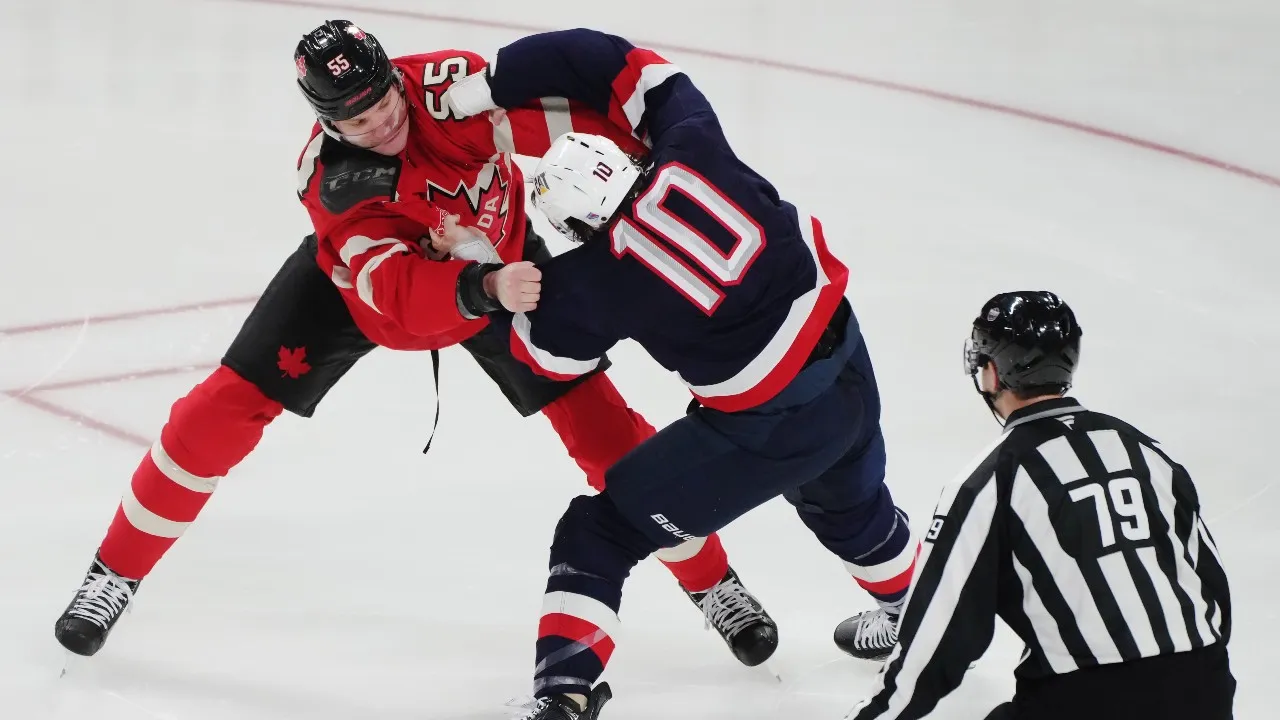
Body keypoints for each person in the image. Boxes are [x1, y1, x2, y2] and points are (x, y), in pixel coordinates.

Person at [50, 20, 778, 669]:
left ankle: (716, 585)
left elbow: (551, 119)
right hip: (384, 296)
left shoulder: (443, 89)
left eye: (384, 103)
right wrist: (479, 288)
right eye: (359, 121)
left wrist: (654, 146)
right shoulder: (336, 181)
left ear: (395, 76)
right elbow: (395, 291)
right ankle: (114, 572)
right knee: (213, 416)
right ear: (327, 120)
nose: (381, 125)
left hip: (504, 264)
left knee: (611, 435)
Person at [437, 28, 919, 718]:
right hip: (846, 361)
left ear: (577, 229)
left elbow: (541, 356)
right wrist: (493, 81)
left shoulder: (597, 277)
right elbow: (619, 61)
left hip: (767, 427)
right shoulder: (693, 145)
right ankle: (916, 610)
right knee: (852, 507)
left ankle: (565, 694)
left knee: (598, 532)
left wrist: (478, 257)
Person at [843, 291, 1234, 720]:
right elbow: (1210, 588)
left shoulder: (989, 482)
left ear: (991, 373)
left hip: (1087, 697)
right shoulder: (1149, 454)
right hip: (1205, 685)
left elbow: (935, 643)